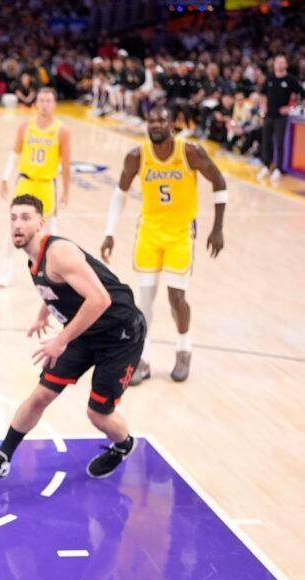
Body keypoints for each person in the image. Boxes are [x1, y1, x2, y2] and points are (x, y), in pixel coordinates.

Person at [0, 195, 145, 489]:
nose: (17, 224)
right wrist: (43, 314)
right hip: (85, 331)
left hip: (120, 335)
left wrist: (61, 340)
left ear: (41, 223)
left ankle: (124, 444)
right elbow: (57, 288)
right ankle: (2, 457)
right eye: (13, 218)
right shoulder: (33, 257)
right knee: (41, 395)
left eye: (25, 218)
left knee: (98, 414)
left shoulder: (59, 253)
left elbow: (100, 299)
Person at [101, 104, 226, 383]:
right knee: (144, 300)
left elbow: (218, 181)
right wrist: (110, 232)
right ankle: (142, 359)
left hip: (180, 232)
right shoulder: (137, 156)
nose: (156, 125)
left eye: (161, 120)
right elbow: (120, 193)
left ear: (172, 125)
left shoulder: (190, 152)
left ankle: (184, 349)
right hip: (149, 231)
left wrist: (217, 228)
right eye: (151, 121)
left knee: (176, 298)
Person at [0, 87, 70, 287]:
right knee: (14, 227)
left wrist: (66, 191)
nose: (45, 104)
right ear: (36, 103)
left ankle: (53, 273)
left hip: (46, 185)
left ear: (54, 104)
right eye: (42, 100)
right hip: (26, 183)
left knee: (50, 232)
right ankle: (6, 271)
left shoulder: (62, 130)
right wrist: (4, 178)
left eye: (49, 101)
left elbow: (66, 163)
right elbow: (15, 154)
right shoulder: (25, 126)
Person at [257, 55, 301, 182]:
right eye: (278, 62)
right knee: (266, 141)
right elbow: (262, 94)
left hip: (281, 117)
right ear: (274, 64)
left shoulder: (291, 80)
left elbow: (301, 96)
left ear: (286, 65)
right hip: (268, 114)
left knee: (279, 142)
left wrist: (290, 107)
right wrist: (263, 106)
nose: (280, 64)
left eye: (282, 62)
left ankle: (278, 168)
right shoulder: (270, 77)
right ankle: (266, 165)